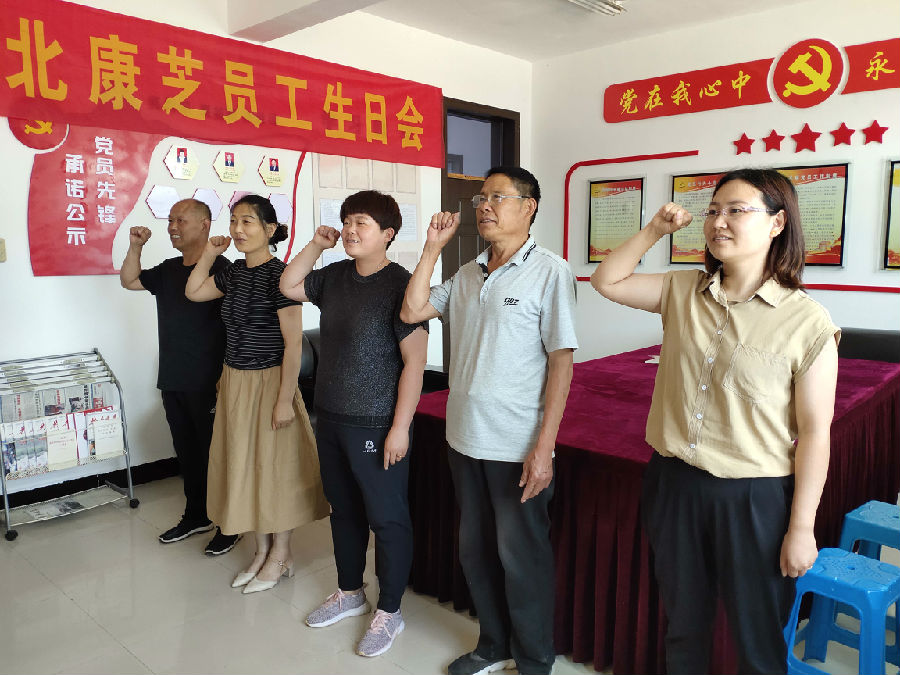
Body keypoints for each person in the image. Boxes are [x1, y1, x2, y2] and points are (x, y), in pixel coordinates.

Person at [591, 168, 839, 675]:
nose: (718, 221)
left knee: (756, 637)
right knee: (684, 625)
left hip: (753, 496)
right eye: (712, 210)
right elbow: (607, 280)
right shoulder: (683, 290)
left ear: (777, 224)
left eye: (736, 210)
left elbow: (815, 433)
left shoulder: (806, 320)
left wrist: (802, 528)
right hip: (674, 483)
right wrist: (655, 230)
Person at [401, 167, 578, 675]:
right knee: (475, 551)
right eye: (481, 197)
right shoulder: (467, 273)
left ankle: (534, 659)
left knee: (521, 557)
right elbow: (413, 310)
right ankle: (494, 644)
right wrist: (432, 247)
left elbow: (561, 363)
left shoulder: (550, 271)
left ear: (529, 206)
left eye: (498, 197)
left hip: (515, 443)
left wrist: (544, 447)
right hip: (464, 437)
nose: (484, 206)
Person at [280, 190, 428, 657]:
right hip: (332, 417)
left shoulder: (402, 285)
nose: (349, 230)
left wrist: (400, 427)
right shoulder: (334, 276)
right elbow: (289, 285)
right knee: (343, 510)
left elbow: (415, 363)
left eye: (361, 222)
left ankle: (390, 610)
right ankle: (350, 592)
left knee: (386, 518)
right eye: (347, 221)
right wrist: (316, 245)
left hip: (377, 423)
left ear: (387, 234)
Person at [185, 194, 327, 594]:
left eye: (247, 221)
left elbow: (294, 345)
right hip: (235, 380)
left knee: (274, 469)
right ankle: (261, 551)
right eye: (234, 221)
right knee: (245, 466)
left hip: (270, 382)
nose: (237, 229)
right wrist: (210, 255)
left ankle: (281, 554)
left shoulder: (281, 277)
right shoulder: (233, 273)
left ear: (269, 229)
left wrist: (284, 400)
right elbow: (194, 291)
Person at [119, 198, 240, 556]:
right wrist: (136, 246)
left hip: (211, 381)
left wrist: (226, 376)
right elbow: (129, 280)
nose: (173, 227)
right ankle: (197, 515)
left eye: (181, 220)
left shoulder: (224, 270)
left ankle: (230, 524)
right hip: (173, 378)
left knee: (217, 456)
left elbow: (238, 328)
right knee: (188, 454)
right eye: (170, 220)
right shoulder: (169, 269)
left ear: (204, 224)